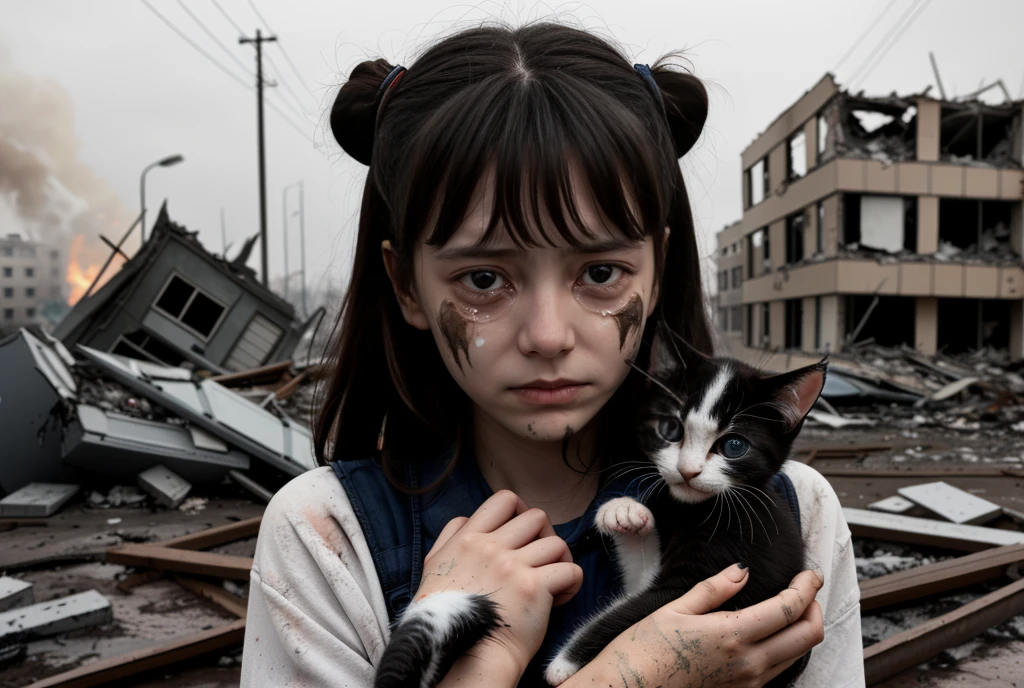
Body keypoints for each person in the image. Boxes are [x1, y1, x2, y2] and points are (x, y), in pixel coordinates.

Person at [240, 21, 863, 688]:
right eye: (483, 278)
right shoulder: (326, 537)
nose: (547, 334)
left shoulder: (795, 514)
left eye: (600, 273)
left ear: (656, 271)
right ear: (405, 285)